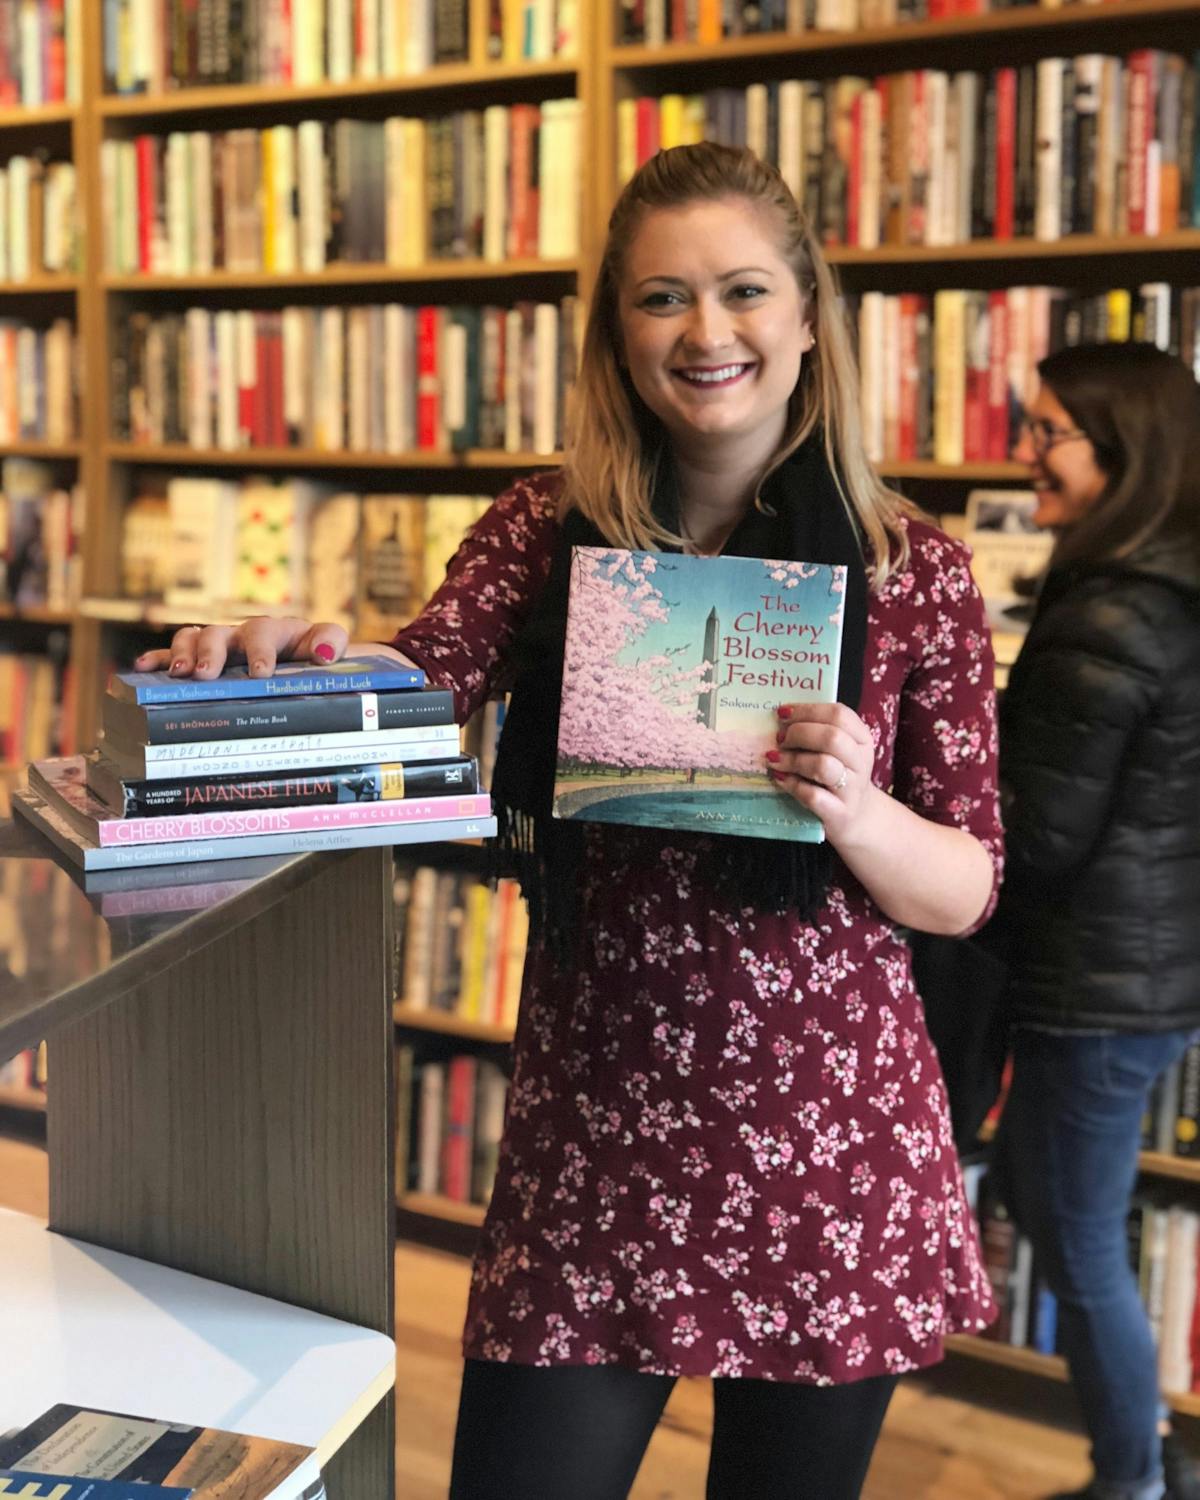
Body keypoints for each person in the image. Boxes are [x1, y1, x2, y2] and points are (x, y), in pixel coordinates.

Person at [135, 143, 1003, 1499]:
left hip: (836, 1159)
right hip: (597, 1146)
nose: (706, 333)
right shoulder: (547, 531)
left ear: (808, 319)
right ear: (615, 334)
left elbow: (963, 887)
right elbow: (418, 691)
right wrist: (291, 666)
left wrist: (856, 806)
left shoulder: (915, 571)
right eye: (661, 299)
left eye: (743, 292)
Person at [988, 342, 1200, 1500]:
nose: (1030, 454)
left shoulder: (1108, 615)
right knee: (1054, 1204)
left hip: (1095, 986)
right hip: (1147, 973)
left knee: (1077, 1244)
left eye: (1049, 432)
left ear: (1125, 455)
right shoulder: (1169, 590)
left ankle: (1136, 1481)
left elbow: (1039, 834)